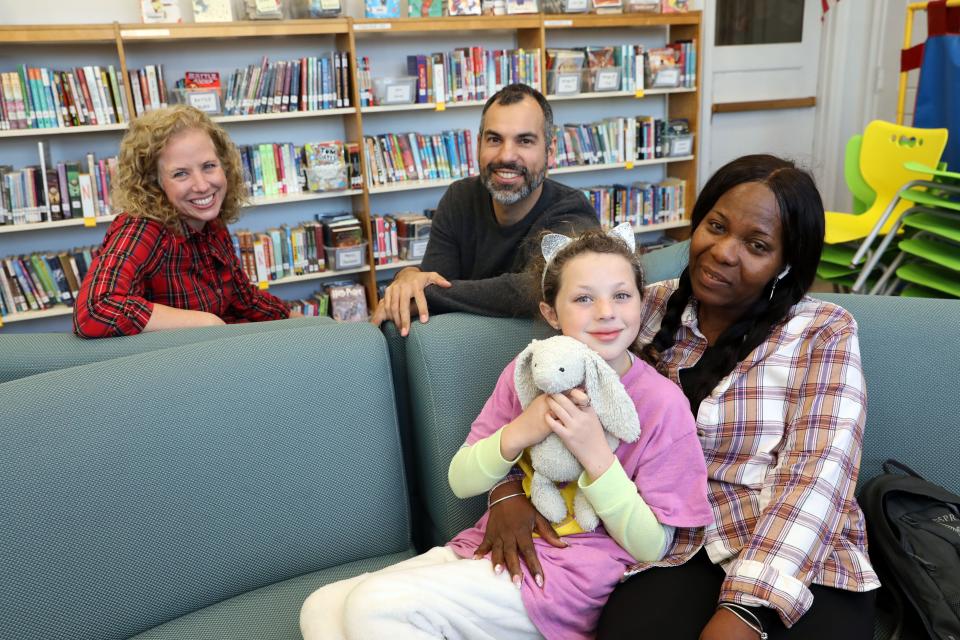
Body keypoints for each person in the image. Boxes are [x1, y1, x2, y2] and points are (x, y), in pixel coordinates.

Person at [482, 154, 880, 639]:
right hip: (680, 544)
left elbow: (816, 479)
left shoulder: (823, 331)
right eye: (716, 226)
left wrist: (745, 610)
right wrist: (506, 492)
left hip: (797, 556)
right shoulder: (640, 305)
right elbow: (549, 302)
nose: (724, 252)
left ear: (785, 263)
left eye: (756, 245)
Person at [300, 225, 712, 640]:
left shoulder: (662, 403)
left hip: (571, 575)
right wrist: (520, 430)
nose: (606, 311)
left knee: (375, 607)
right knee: (321, 607)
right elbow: (461, 481)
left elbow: (653, 547)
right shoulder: (525, 375)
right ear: (551, 313)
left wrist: (595, 455)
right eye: (583, 298)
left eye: (621, 295)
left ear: (642, 302)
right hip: (494, 546)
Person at [370, 83, 599, 336]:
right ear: (478, 144)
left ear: (550, 151)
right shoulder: (460, 197)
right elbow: (433, 286)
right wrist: (410, 279)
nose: (506, 155)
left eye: (525, 140)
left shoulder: (572, 211)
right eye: (494, 139)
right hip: (461, 346)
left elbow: (536, 287)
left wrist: (420, 283)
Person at [73, 105, 294, 338]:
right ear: (154, 183)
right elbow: (94, 310)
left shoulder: (210, 220)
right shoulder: (142, 228)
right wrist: (207, 322)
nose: (201, 186)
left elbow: (244, 298)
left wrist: (308, 324)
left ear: (225, 166)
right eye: (180, 173)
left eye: (209, 166)